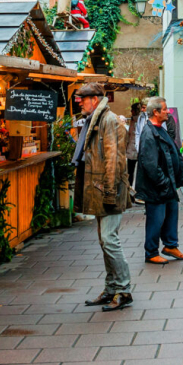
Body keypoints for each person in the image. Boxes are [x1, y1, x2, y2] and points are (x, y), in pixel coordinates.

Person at [72, 83, 134, 312]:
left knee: (109, 240)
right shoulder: (95, 120)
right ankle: (111, 289)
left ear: (95, 100)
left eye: (83, 99)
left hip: (108, 189)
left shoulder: (108, 121)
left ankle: (123, 290)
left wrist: (109, 192)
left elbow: (114, 161)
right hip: (101, 189)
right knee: (104, 241)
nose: (79, 102)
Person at [135, 96, 183, 265]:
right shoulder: (149, 132)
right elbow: (150, 163)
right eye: (165, 109)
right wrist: (164, 182)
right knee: (156, 219)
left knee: (171, 215)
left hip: (167, 184)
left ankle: (170, 246)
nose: (168, 112)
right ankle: (151, 252)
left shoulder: (160, 128)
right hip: (157, 187)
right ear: (156, 112)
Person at [125, 99, 144, 191]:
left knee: (131, 170)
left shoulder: (139, 119)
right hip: (133, 149)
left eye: (132, 110)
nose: (131, 112)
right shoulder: (134, 120)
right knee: (133, 171)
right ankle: (132, 188)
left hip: (135, 149)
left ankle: (132, 188)